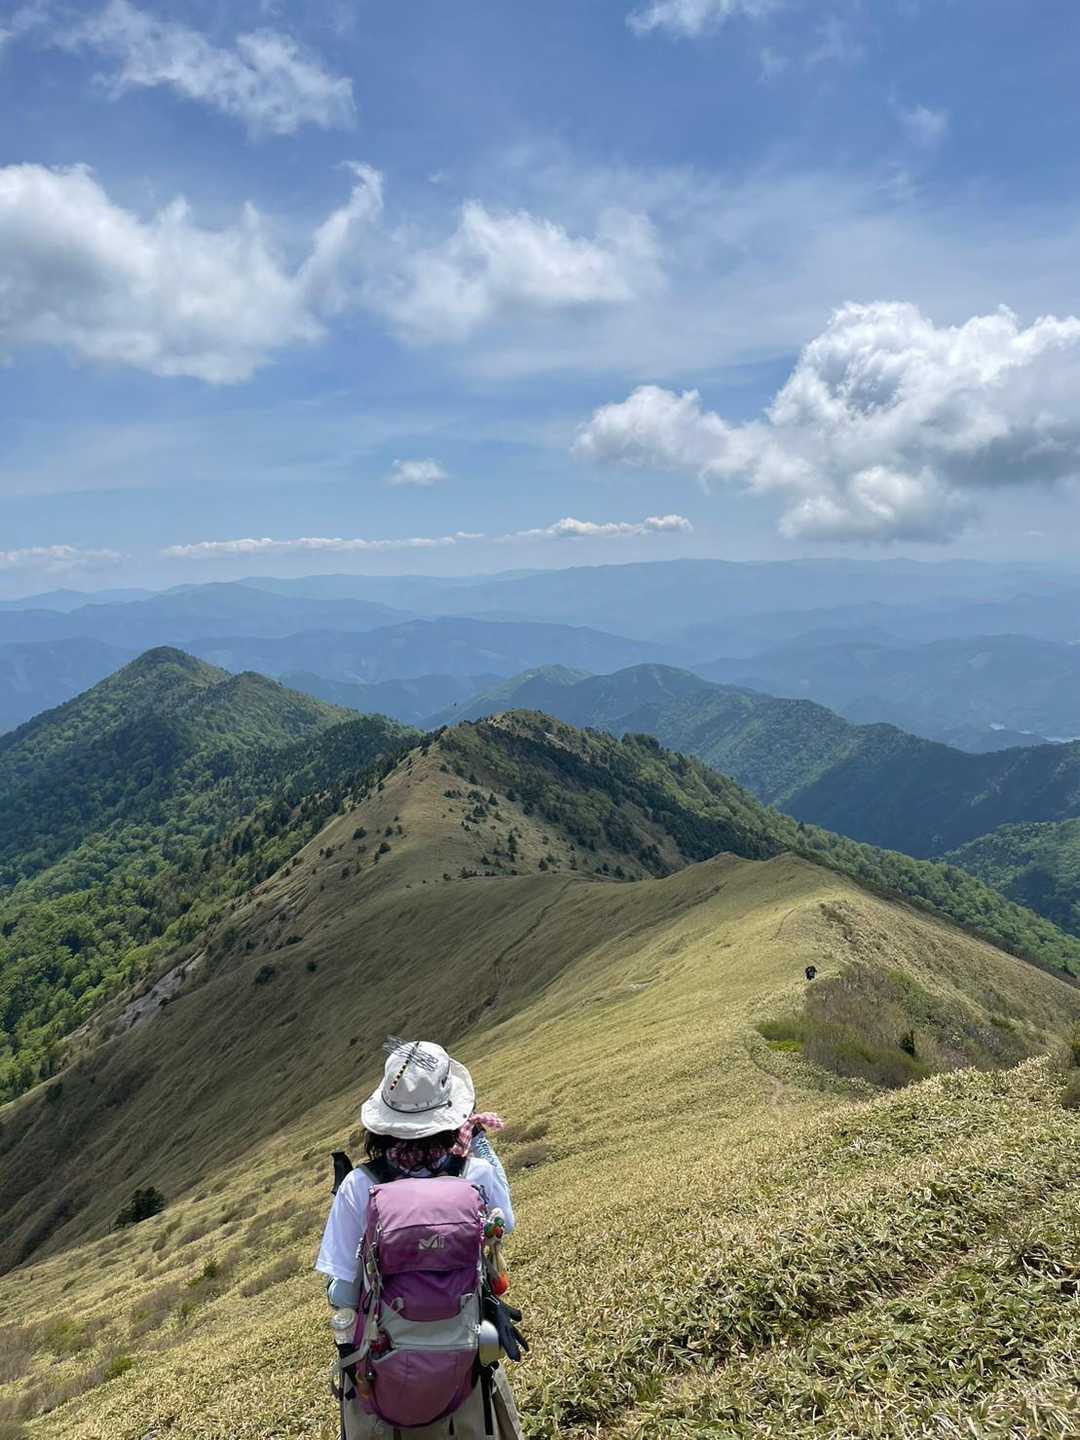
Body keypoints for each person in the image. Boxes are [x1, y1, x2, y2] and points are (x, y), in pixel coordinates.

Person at [316, 1040, 525, 1439]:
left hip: (380, 1376)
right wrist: (480, 1142)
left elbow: (342, 1293)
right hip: (468, 1367)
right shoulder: (475, 1175)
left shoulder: (359, 1185)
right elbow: (505, 1227)